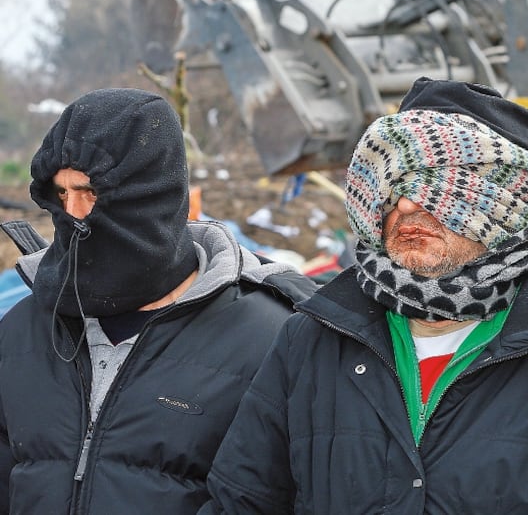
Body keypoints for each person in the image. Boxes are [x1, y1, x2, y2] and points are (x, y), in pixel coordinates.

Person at [199, 77, 528, 514]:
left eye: (435, 188)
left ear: (505, 206)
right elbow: (241, 501)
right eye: (391, 188)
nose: (407, 207)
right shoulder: (315, 337)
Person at [0, 88, 317, 513]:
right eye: (61, 194)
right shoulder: (24, 329)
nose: (73, 213)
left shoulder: (271, 338)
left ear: (150, 197)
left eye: (90, 191)